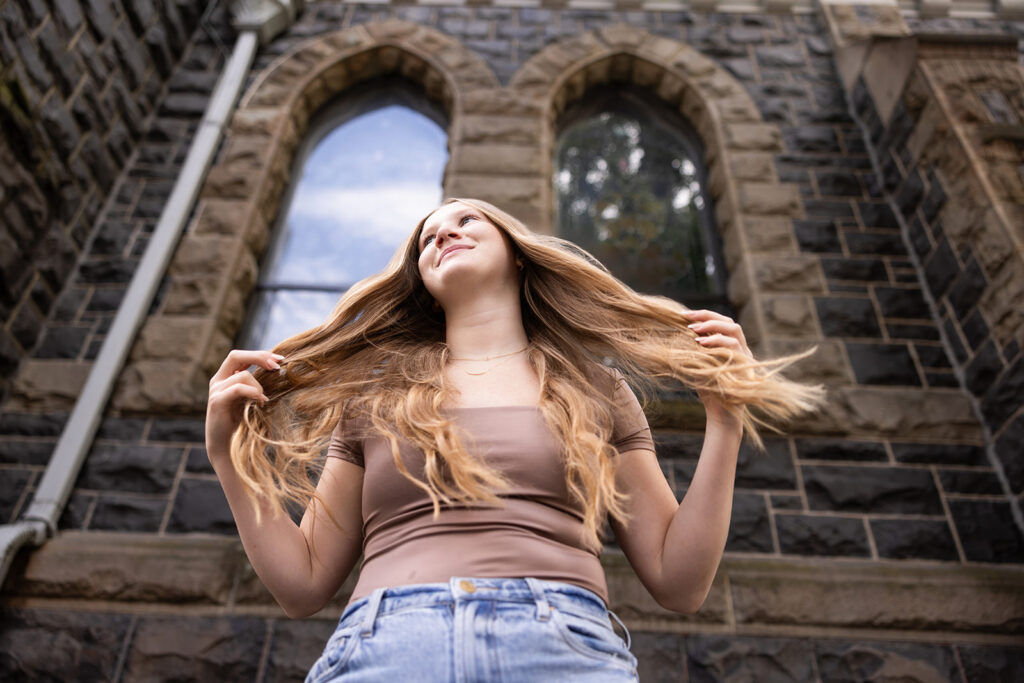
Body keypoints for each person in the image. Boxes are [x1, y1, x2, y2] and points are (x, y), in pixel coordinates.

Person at [205, 197, 825, 681]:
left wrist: (724, 420)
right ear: (422, 281)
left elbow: (678, 582)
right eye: (426, 238)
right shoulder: (374, 398)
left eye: (466, 219)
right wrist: (227, 458)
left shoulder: (598, 390)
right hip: (389, 645)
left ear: (518, 253)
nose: (442, 233)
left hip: (562, 647)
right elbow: (303, 583)